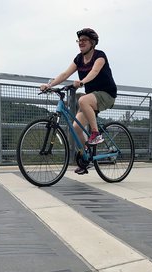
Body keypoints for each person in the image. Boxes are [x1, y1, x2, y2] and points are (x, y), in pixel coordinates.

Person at [40, 28, 117, 174]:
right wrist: (49, 85)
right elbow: (65, 73)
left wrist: (81, 82)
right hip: (91, 98)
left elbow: (94, 72)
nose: (80, 43)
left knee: (83, 100)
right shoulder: (78, 59)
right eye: (79, 40)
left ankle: (95, 134)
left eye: (84, 40)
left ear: (92, 43)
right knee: (76, 127)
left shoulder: (100, 56)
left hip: (107, 94)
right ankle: (87, 155)